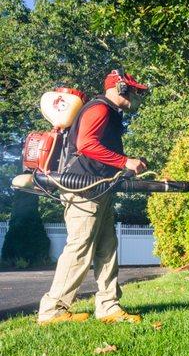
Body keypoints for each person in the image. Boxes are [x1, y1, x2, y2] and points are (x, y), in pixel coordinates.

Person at [37, 69, 149, 325]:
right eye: (135, 91)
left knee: (107, 248)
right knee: (79, 248)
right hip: (82, 189)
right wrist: (124, 161)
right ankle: (52, 309)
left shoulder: (109, 113)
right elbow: (86, 144)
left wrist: (125, 164)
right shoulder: (99, 108)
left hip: (100, 189)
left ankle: (109, 306)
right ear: (121, 89)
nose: (138, 97)